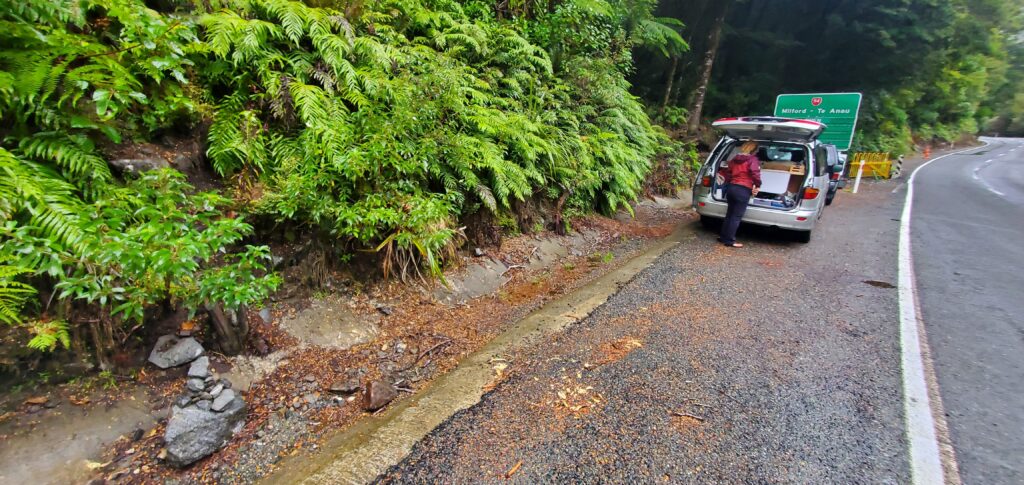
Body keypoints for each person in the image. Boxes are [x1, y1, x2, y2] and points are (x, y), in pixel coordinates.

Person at [716, 141, 762, 248]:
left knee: (730, 214)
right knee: (736, 216)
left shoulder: (734, 159)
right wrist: (758, 184)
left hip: (731, 188)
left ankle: (723, 237)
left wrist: (730, 181)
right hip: (743, 189)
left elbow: (728, 173)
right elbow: (755, 173)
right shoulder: (752, 159)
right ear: (754, 150)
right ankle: (729, 241)